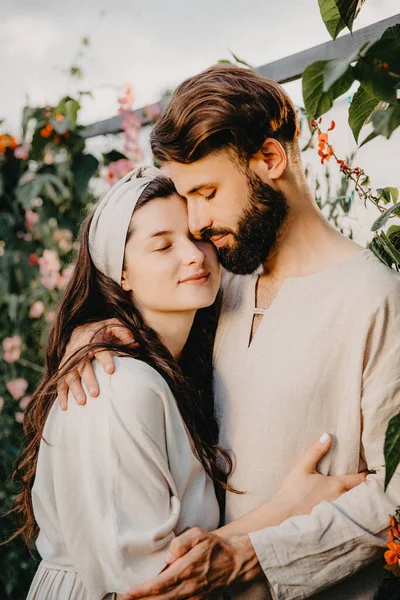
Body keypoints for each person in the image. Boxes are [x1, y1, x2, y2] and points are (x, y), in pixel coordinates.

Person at [59, 66, 400, 600]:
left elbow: (395, 494)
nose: (194, 224)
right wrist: (98, 332)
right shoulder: (226, 283)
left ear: (269, 159)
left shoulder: (377, 298)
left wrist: (250, 556)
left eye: (207, 192)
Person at [10, 167, 360, 600]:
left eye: (198, 237)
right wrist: (287, 508)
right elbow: (153, 584)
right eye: (162, 246)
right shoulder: (116, 385)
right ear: (121, 274)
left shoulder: (180, 362)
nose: (193, 255)